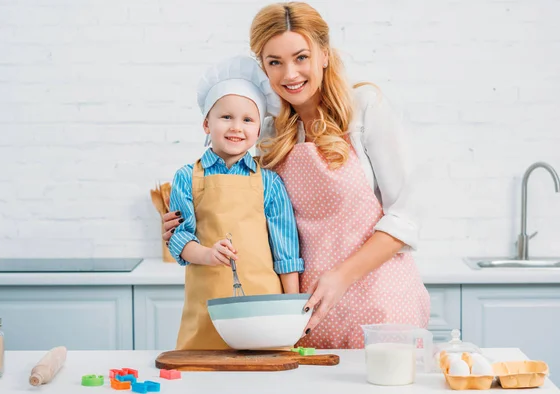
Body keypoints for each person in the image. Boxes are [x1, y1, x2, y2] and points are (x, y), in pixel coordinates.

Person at [163, 2, 430, 349]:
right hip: (306, 315)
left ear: (324, 54)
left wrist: (339, 277)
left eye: (301, 57)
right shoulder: (269, 131)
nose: (289, 74)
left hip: (381, 306)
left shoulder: (364, 108)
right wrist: (183, 227)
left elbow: (405, 216)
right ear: (263, 67)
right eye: (275, 62)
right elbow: (251, 214)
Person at [168, 54, 305, 350]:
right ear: (207, 123)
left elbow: (286, 251)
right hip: (206, 310)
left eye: (247, 119)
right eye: (226, 117)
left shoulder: (270, 182)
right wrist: (207, 254)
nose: (236, 127)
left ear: (258, 129)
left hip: (265, 311)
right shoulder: (185, 178)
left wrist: (295, 314)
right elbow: (179, 238)